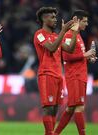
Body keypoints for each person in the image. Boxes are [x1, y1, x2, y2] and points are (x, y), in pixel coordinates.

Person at [33, 7, 79, 135]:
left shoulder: (55, 36)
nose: (55, 19)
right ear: (44, 18)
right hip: (47, 74)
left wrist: (74, 33)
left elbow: (70, 49)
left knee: (54, 109)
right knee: (48, 108)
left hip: (58, 75)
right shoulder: (39, 34)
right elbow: (52, 48)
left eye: (55, 17)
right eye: (52, 17)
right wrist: (63, 31)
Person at [54, 10, 96, 135]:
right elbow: (66, 57)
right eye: (84, 21)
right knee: (79, 107)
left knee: (71, 107)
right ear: (76, 20)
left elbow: (78, 56)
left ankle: (55, 134)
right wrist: (84, 55)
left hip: (81, 75)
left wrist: (88, 57)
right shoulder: (67, 36)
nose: (86, 24)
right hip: (74, 76)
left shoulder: (77, 35)